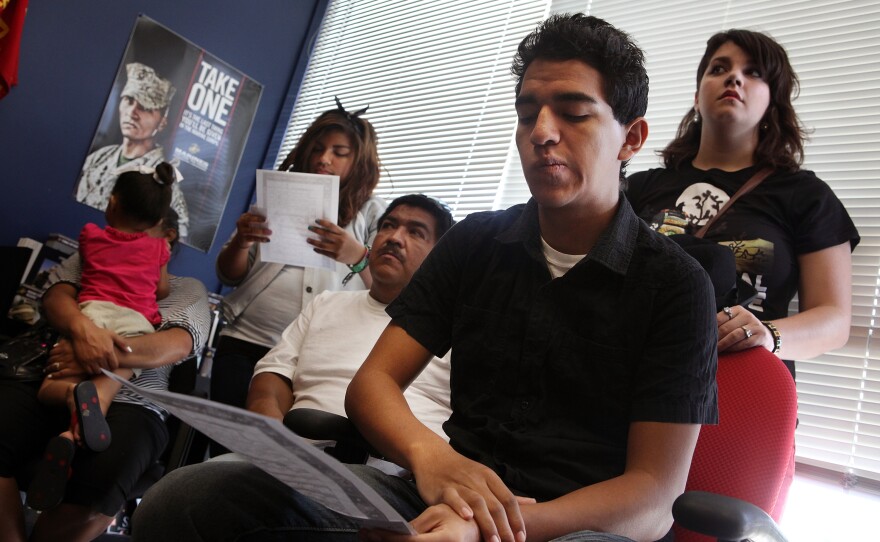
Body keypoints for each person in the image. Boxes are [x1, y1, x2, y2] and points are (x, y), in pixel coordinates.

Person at [131, 14, 718, 542]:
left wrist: (485, 526)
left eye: (573, 112)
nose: (541, 131)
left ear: (631, 139)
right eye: (526, 112)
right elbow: (373, 385)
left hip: (572, 526)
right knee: (184, 502)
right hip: (441, 490)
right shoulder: (479, 242)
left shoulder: (675, 286)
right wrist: (429, 458)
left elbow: (653, 499)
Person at [626, 29, 859, 379]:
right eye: (719, 68)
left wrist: (768, 335)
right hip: (637, 375)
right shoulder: (638, 187)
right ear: (696, 95)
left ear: (771, 102)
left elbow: (834, 320)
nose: (734, 77)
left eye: (754, 73)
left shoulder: (806, 195)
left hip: (743, 388)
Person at [0, 208, 210, 542]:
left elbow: (178, 344)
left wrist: (94, 352)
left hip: (133, 398)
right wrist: (83, 331)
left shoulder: (188, 290)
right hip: (50, 370)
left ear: (167, 236)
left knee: (104, 480)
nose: (121, 231)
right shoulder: (96, 253)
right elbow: (55, 297)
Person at [209, 99, 387, 447]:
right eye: (318, 149)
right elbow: (229, 274)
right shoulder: (275, 193)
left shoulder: (374, 212)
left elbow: (389, 290)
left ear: (359, 160)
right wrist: (242, 241)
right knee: (229, 452)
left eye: (339, 152)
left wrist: (356, 255)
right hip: (246, 340)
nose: (324, 158)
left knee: (292, 456)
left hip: (317, 356)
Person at [27, 162, 178, 510]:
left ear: (112, 203)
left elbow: (70, 281)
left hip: (93, 314)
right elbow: (162, 289)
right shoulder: (159, 250)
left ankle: (70, 398)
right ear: (159, 222)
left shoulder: (91, 235)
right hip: (134, 323)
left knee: (49, 385)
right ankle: (88, 412)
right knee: (118, 367)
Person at [246, 194, 455, 441]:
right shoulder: (325, 303)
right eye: (388, 225)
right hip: (292, 450)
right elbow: (274, 372)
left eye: (416, 232)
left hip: (390, 470)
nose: (394, 238)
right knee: (201, 477)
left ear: (438, 257)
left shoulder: (455, 332)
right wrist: (269, 427)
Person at [75, 62, 190, 241]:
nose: (132, 112)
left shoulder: (163, 182)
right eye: (128, 100)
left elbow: (177, 236)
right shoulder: (98, 158)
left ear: (162, 122)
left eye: (145, 108)